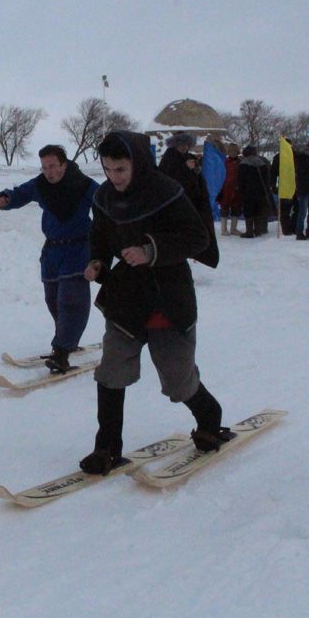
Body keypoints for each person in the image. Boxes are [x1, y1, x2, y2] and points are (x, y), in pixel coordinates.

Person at [79, 131, 228, 475]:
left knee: (178, 380)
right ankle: (106, 448)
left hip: (167, 296)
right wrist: (98, 262)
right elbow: (99, 236)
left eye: (121, 169)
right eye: (108, 169)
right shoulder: (104, 197)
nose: (113, 177)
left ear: (138, 163)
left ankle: (209, 419)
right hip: (126, 298)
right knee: (112, 372)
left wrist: (150, 251)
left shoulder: (167, 191)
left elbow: (197, 237)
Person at [0, 145, 99, 374]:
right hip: (51, 252)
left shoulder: (85, 186)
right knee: (53, 300)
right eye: (44, 167)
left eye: (53, 166)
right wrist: (6, 198)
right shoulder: (41, 184)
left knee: (71, 301)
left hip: (77, 250)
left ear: (64, 164)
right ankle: (66, 338)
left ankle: (61, 353)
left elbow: (108, 206)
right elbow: (20, 193)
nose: (48, 172)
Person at [156, 132, 219, 269]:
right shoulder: (170, 158)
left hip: (192, 203)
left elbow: (197, 180)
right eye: (180, 144)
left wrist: (195, 169)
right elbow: (171, 180)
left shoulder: (189, 157)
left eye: (186, 144)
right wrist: (187, 169)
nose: (184, 147)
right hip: (175, 206)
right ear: (175, 144)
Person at [237, 145, 272, 238]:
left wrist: (241, 191)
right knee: (258, 210)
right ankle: (258, 230)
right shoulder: (263, 163)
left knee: (248, 211)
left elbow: (241, 180)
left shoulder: (243, 164)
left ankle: (249, 231)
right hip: (260, 192)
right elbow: (267, 178)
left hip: (248, 192)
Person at [215, 143, 243, 235]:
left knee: (236, 209)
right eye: (231, 151)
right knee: (224, 209)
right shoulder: (224, 162)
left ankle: (233, 229)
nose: (233, 153)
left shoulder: (240, 163)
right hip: (225, 188)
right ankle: (224, 229)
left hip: (237, 189)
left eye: (235, 151)